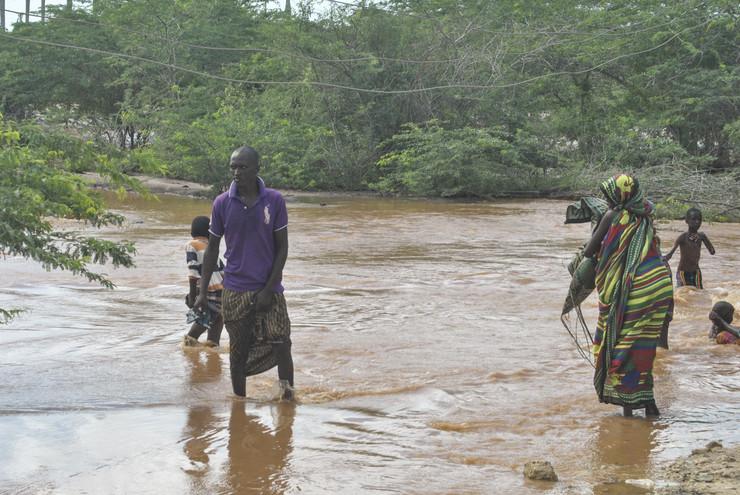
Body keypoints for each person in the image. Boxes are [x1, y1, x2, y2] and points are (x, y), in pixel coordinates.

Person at [195, 146, 294, 400]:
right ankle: (239, 403)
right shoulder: (222, 203)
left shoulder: (274, 201)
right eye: (233, 167)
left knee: (282, 343)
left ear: (257, 169)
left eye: (242, 167)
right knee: (238, 352)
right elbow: (212, 248)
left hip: (270, 288)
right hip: (235, 289)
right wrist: (202, 291)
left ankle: (288, 397)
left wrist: (269, 288)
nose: (236, 172)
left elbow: (282, 249)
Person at [582, 174, 673, 417]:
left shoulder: (613, 216)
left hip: (638, 289)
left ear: (619, 196)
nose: (608, 201)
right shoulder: (645, 214)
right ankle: (649, 405)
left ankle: (629, 412)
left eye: (609, 196)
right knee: (642, 346)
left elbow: (590, 251)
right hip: (660, 284)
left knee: (621, 348)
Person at [184, 216, 224, 347]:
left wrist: (192, 295)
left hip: (208, 291)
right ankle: (213, 362)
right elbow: (224, 272)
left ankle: (190, 360)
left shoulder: (192, 245)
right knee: (213, 341)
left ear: (192, 233)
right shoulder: (212, 249)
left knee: (190, 339)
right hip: (221, 292)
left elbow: (193, 272)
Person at [663, 208, 715, 288]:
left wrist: (705, 240)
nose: (697, 222)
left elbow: (712, 251)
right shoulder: (683, 237)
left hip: (696, 272)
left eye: (699, 220)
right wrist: (662, 260)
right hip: (683, 272)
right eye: (693, 219)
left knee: (699, 294)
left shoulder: (701, 236)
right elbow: (670, 255)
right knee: (684, 293)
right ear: (686, 221)